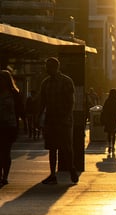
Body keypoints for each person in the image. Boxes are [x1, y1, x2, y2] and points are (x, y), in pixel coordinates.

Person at [38, 57, 79, 185]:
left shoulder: (66, 81)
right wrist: (39, 117)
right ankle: (52, 174)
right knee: (52, 148)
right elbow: (42, 102)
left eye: (48, 66)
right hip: (51, 120)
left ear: (54, 67)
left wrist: (66, 116)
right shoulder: (46, 83)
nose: (46, 69)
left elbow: (71, 101)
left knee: (66, 147)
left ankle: (71, 168)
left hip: (63, 120)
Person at [0, 70, 24, 186]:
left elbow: (20, 110)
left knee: (5, 152)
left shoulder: (14, 94)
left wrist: (24, 124)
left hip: (9, 126)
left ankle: (5, 176)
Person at [101, 88, 116, 154]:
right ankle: (113, 145)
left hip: (108, 119)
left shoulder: (107, 100)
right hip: (115, 118)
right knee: (114, 133)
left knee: (109, 133)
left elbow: (104, 109)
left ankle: (109, 145)